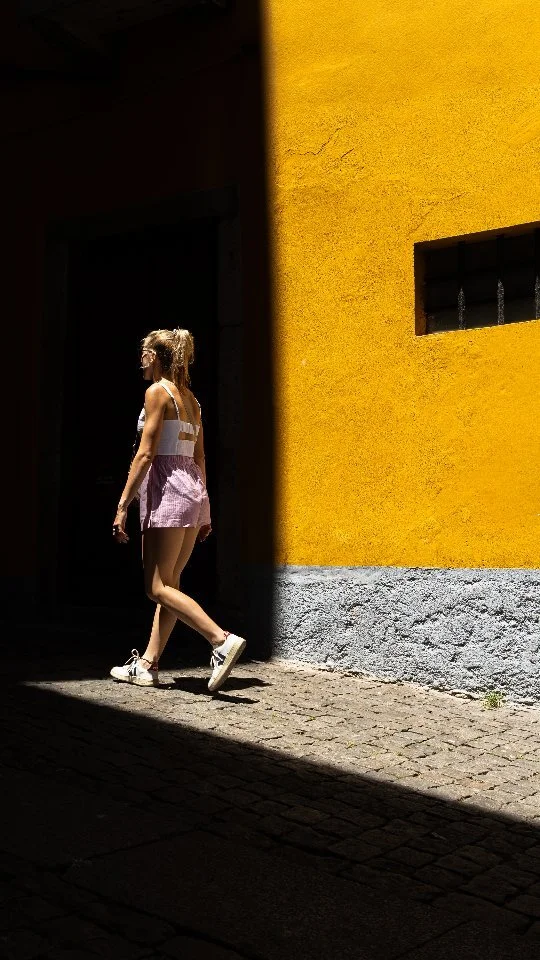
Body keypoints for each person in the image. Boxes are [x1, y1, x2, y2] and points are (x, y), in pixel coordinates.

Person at [110, 328, 246, 692]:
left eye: (143, 355)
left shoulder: (157, 392)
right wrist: (206, 510)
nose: (140, 362)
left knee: (156, 587)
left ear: (154, 356)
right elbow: (200, 458)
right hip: (191, 491)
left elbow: (146, 454)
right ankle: (147, 665)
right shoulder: (192, 400)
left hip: (167, 489)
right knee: (171, 584)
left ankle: (220, 640)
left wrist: (123, 505)